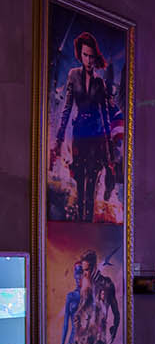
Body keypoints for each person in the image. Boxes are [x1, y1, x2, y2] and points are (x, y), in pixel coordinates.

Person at [49, 31, 120, 222]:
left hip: (96, 136)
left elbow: (106, 117)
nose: (88, 60)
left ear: (95, 57)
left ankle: (88, 222)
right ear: (80, 55)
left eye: (91, 56)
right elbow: (67, 108)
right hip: (79, 134)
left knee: (91, 184)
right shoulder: (73, 75)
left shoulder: (100, 83)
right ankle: (81, 222)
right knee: (80, 181)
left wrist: (109, 150)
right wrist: (59, 138)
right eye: (85, 55)